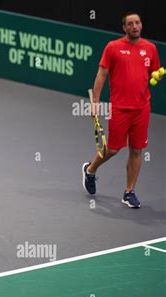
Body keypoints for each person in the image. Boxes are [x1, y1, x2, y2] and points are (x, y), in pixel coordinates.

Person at [82, 12, 161, 208]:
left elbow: (154, 72)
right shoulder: (113, 48)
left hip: (142, 109)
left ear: (141, 25)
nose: (135, 26)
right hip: (119, 108)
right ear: (124, 28)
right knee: (113, 149)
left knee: (137, 150)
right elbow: (101, 74)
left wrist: (157, 77)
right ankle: (90, 170)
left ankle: (129, 192)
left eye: (138, 23)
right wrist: (96, 101)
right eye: (131, 24)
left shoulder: (150, 48)